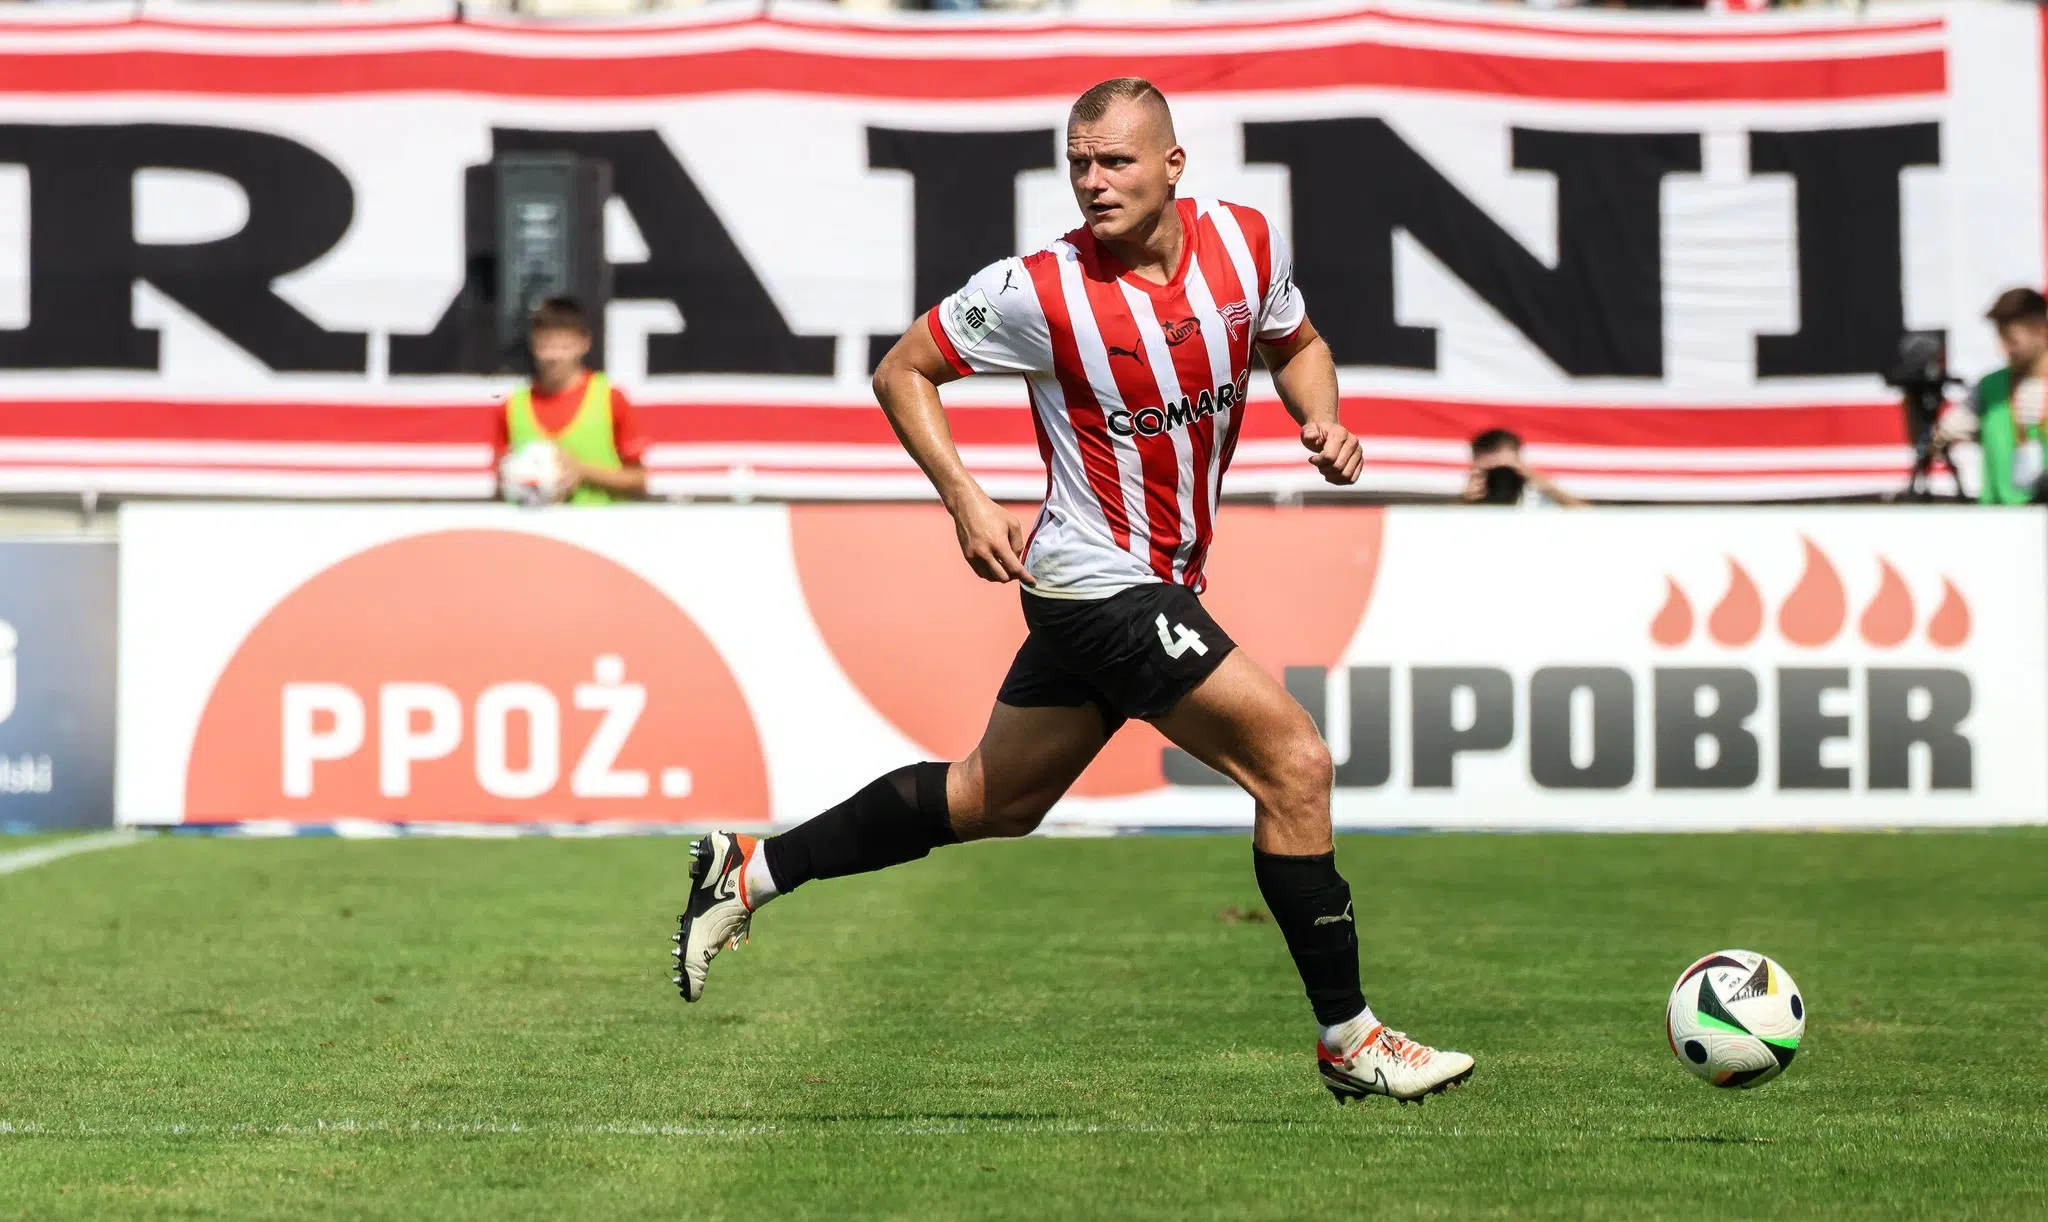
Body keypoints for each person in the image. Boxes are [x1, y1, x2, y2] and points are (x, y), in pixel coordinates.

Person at [669, 78, 1473, 1107]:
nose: (1092, 182)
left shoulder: (1247, 244)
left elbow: (1297, 346)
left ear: (1172, 167)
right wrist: (964, 496)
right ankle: (1348, 1038)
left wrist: (1322, 422)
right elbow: (901, 370)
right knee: (1294, 764)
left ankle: (746, 873)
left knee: (991, 800)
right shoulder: (1036, 288)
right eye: (1078, 164)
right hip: (1097, 586)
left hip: (1139, 582)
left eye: (1116, 162)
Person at [490, 296, 649, 504]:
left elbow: (640, 481)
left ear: (584, 344)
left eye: (563, 347)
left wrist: (582, 471)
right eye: (545, 346)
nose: (553, 357)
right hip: (534, 532)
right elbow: (499, 486)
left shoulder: (610, 399)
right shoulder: (513, 406)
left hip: (600, 530)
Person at [1932, 287, 2048, 506]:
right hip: (1998, 521)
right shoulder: (1989, 387)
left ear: (2042, 331)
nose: (2002, 349)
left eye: (2012, 340)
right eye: (2000, 338)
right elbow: (1936, 438)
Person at [1461, 428, 1585, 507]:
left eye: (1506, 469)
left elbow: (1591, 519)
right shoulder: (1473, 490)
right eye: (1492, 471)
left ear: (1519, 462)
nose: (1501, 477)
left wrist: (1549, 489)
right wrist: (1468, 503)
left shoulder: (1537, 490)